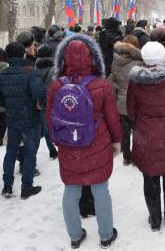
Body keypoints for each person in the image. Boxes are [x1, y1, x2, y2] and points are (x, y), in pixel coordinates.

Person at [46, 34, 121, 249]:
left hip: (69, 146)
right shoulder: (101, 85)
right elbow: (112, 117)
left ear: (64, 59)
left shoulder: (56, 86)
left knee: (71, 191)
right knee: (101, 191)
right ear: (92, 57)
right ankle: (106, 235)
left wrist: (58, 141)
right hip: (97, 143)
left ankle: (75, 235)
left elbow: (50, 119)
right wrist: (116, 141)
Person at [127, 42, 165, 231]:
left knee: (150, 178)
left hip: (146, 136)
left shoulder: (136, 82)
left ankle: (155, 220)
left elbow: (131, 111)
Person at [0, 42, 44, 199]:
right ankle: (26, 187)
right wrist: (38, 104)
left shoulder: (2, 75)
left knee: (10, 152)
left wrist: (10, 106)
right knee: (30, 153)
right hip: (30, 119)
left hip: (12, 118)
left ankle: (7, 186)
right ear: (23, 54)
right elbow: (40, 94)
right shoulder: (31, 73)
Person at [108, 36, 143, 165]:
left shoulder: (115, 61)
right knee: (137, 130)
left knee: (125, 131)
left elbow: (114, 81)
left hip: (120, 102)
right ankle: (137, 156)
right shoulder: (139, 62)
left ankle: (127, 157)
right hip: (135, 102)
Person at [35, 45, 58, 160]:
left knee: (46, 125)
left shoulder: (35, 67)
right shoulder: (55, 67)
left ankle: (51, 149)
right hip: (54, 99)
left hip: (41, 100)